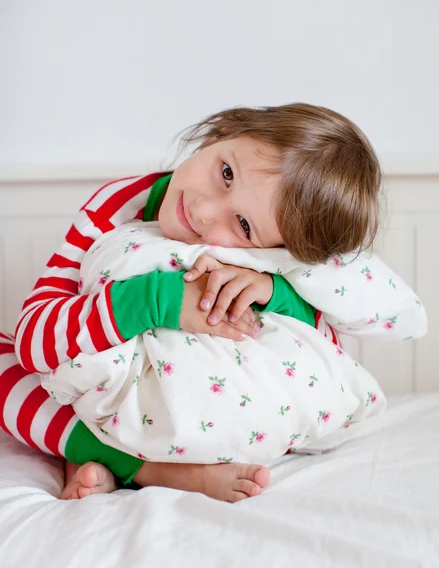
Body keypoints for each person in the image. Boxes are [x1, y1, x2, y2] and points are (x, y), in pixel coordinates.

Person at [0, 103, 381, 503]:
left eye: (245, 226)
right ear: (224, 130)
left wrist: (271, 292)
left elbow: (323, 354)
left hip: (198, 411)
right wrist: (162, 299)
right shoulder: (119, 204)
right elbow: (34, 341)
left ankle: (99, 457)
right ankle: (140, 467)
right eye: (227, 173)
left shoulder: (277, 268)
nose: (203, 210)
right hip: (104, 383)